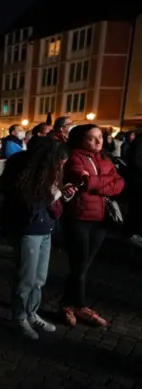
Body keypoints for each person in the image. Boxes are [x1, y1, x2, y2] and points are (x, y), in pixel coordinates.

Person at [2, 138, 75, 339]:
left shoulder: (49, 172)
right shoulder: (24, 171)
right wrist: (53, 195)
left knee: (40, 278)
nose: (61, 166)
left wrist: (61, 195)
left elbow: (51, 202)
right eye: (59, 162)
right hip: (28, 229)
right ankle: (19, 317)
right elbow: (26, 204)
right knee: (26, 278)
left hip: (45, 228)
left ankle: (32, 313)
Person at [62, 124, 125, 327]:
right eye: (92, 138)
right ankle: (77, 306)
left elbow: (120, 183)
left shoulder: (105, 158)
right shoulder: (74, 157)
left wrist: (97, 183)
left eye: (100, 137)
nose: (98, 141)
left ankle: (68, 305)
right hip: (79, 218)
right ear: (80, 139)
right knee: (79, 265)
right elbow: (83, 180)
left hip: (101, 219)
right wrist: (104, 183)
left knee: (84, 266)